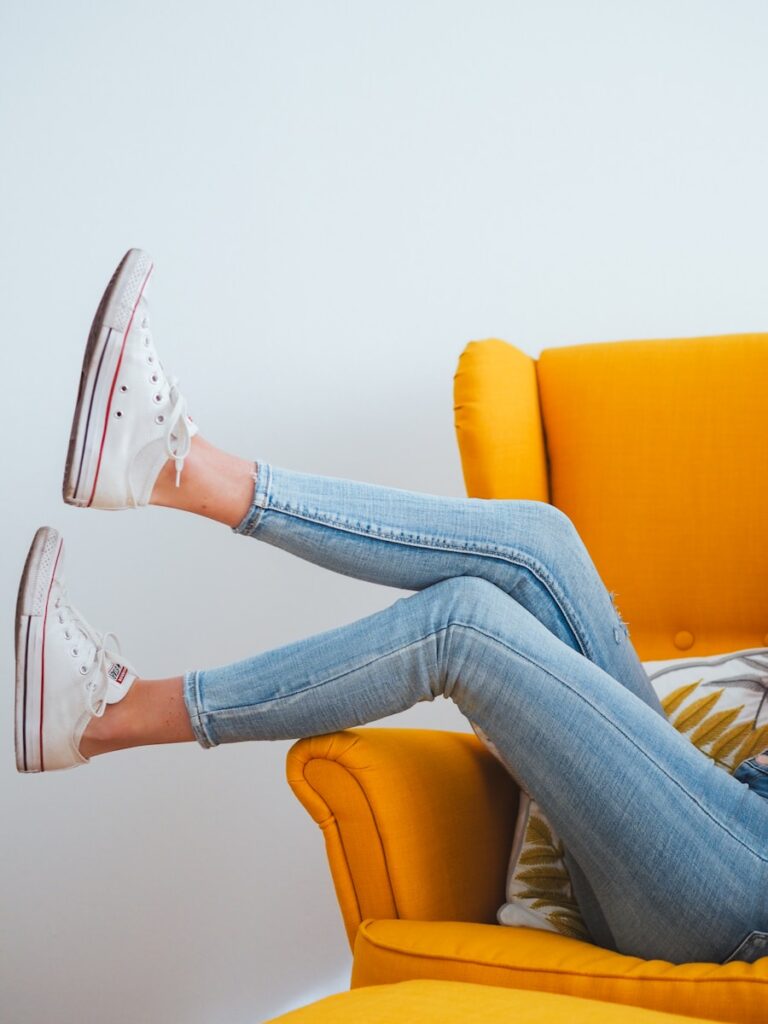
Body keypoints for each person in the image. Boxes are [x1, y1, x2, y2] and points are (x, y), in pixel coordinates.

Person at [14, 250, 768, 967]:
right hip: (722, 816)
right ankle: (176, 469)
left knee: (464, 627)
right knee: (540, 543)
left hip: (740, 903)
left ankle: (111, 716)